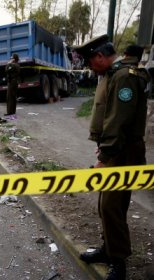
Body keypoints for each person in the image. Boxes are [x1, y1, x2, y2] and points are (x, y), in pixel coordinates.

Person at [73, 35, 150, 280]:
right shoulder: (113, 74)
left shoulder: (125, 76)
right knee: (105, 205)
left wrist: (104, 156)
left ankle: (118, 262)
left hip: (123, 152)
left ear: (100, 57)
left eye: (89, 62)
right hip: (115, 149)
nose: (89, 68)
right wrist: (103, 146)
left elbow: (118, 121)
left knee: (112, 207)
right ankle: (108, 250)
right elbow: (108, 117)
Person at [5, 53, 20, 118]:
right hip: (14, 82)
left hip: (12, 82)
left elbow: (6, 70)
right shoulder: (17, 65)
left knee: (10, 97)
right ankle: (13, 112)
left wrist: (9, 63)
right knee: (13, 97)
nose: (10, 59)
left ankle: (10, 112)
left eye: (11, 58)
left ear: (14, 59)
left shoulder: (14, 65)